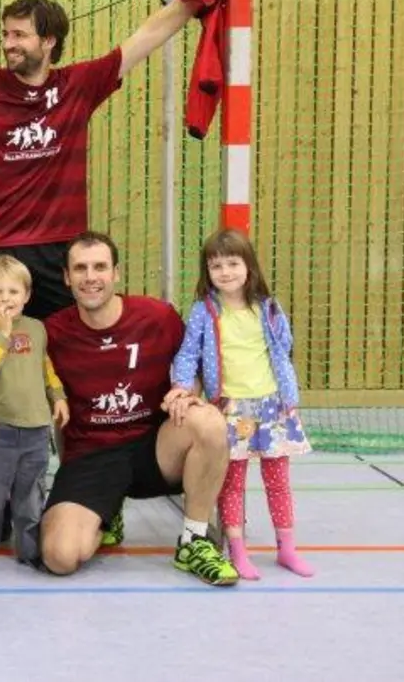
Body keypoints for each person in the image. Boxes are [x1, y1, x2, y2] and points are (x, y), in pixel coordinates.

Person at [0, 231, 240, 585]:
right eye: (80, 268)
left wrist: (187, 391)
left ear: (116, 273)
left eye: (100, 267)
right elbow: (9, 377)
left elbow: (196, 364)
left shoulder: (157, 317)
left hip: (154, 448)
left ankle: (194, 540)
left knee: (208, 421)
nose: (90, 277)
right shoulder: (50, 333)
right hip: (91, 456)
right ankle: (107, 514)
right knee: (59, 557)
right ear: (67, 278)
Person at [0, 0, 202, 332]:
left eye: (19, 35)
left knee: (62, 349)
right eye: (6, 34)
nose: (9, 43)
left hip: (57, 248)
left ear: (49, 40)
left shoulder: (78, 85)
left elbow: (146, 38)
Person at [171, 228, 315, 580]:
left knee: (278, 480)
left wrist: (289, 397)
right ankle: (237, 550)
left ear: (249, 266)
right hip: (231, 411)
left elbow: (283, 349)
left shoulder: (268, 309)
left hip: (271, 408)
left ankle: (287, 549)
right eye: (216, 265)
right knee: (232, 483)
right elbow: (188, 353)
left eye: (233, 263)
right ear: (208, 271)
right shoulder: (204, 311)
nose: (225, 272)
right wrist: (182, 386)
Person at [0, 254, 63, 565]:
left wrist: (58, 396)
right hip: (0, 429)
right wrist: (3, 332)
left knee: (30, 494)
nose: (5, 299)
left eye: (13, 292)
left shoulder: (37, 329)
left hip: (35, 427)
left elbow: (45, 368)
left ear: (27, 295)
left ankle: (29, 547)